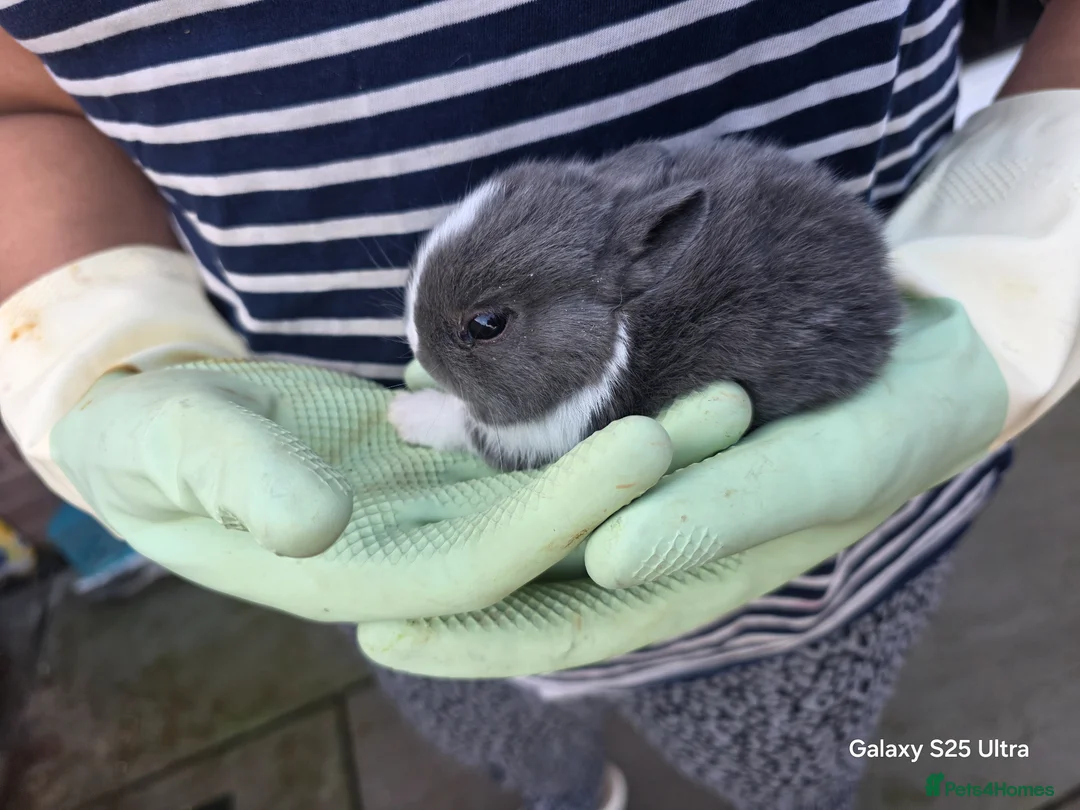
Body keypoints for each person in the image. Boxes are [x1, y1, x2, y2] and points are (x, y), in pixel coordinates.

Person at [1, 2, 1078, 809]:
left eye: (480, 333)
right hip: (389, 530)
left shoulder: (646, 306)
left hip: (828, 551)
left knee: (791, 753)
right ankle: (570, 790)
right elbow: (24, 93)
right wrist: (95, 337)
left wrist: (1029, 239)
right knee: (483, 705)